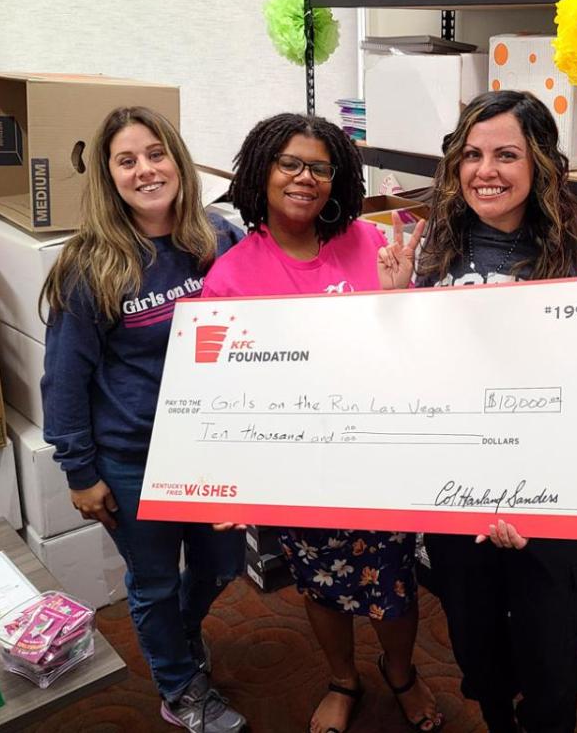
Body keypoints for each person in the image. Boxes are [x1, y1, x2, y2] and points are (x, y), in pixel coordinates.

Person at [200, 112, 442, 733]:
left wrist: (397, 299)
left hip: (378, 457)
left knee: (393, 585)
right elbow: (221, 390)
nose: (306, 178)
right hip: (297, 466)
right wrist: (230, 477)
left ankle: (401, 673)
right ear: (262, 172)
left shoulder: (371, 243)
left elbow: (417, 355)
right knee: (319, 582)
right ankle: (343, 678)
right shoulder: (232, 276)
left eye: (321, 167)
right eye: (291, 164)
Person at [380, 90, 577, 733]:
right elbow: (416, 378)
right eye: (472, 154)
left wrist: (527, 497)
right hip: (459, 493)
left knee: (550, 655)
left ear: (538, 164)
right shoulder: (436, 248)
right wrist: (396, 304)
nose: (486, 170)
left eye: (507, 154)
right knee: (476, 640)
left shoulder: (572, 257)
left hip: (544, 502)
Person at [40, 106, 249, 732]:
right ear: (108, 176)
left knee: (222, 564)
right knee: (154, 580)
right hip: (133, 457)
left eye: (156, 154)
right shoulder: (89, 266)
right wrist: (80, 472)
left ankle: (182, 638)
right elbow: (64, 379)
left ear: (178, 160)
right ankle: (179, 686)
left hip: (211, 447)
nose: (146, 170)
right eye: (126, 160)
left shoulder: (218, 238)